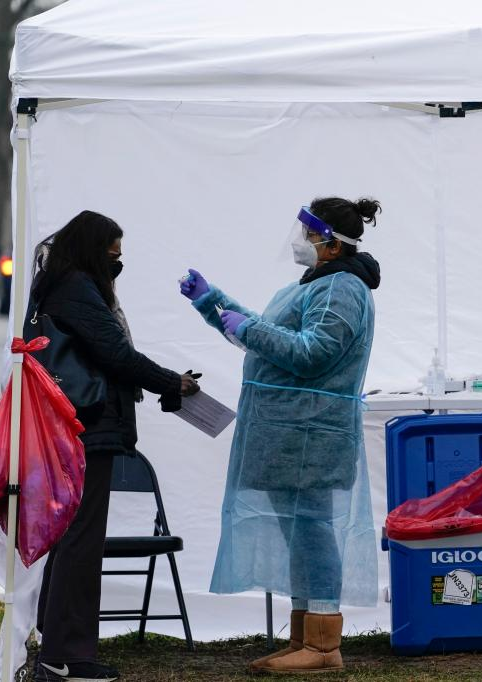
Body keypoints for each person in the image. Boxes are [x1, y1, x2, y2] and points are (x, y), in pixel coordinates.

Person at [180, 197, 382, 674]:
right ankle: (303, 638)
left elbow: (313, 353)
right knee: (301, 533)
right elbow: (272, 333)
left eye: (308, 235)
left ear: (333, 244)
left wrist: (250, 330)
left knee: (312, 531)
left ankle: (323, 645)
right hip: (289, 432)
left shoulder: (343, 289)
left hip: (311, 431)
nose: (299, 242)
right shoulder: (314, 285)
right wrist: (213, 303)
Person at [26, 210, 200, 682]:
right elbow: (115, 353)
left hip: (72, 425)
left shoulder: (56, 283)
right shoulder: (77, 288)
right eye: (111, 256)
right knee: (81, 542)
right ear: (90, 251)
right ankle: (65, 656)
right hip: (88, 426)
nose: (116, 265)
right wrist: (172, 382)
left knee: (73, 539)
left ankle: (57, 646)